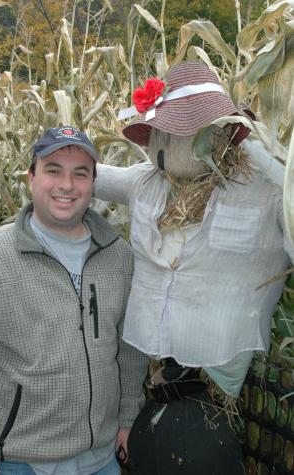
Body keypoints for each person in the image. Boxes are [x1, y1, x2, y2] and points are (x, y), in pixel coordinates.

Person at [94, 62, 294, 474]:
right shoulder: (146, 182)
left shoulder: (265, 190)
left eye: (187, 133)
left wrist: (260, 147)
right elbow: (92, 179)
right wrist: (55, 162)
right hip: (153, 394)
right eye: (162, 134)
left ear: (221, 132)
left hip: (212, 399)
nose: (167, 147)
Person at [0, 126, 148, 475]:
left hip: (102, 459)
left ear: (93, 183)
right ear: (31, 177)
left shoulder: (119, 256)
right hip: (18, 462)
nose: (66, 185)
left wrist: (129, 416)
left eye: (80, 174)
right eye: (53, 170)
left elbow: (131, 347)